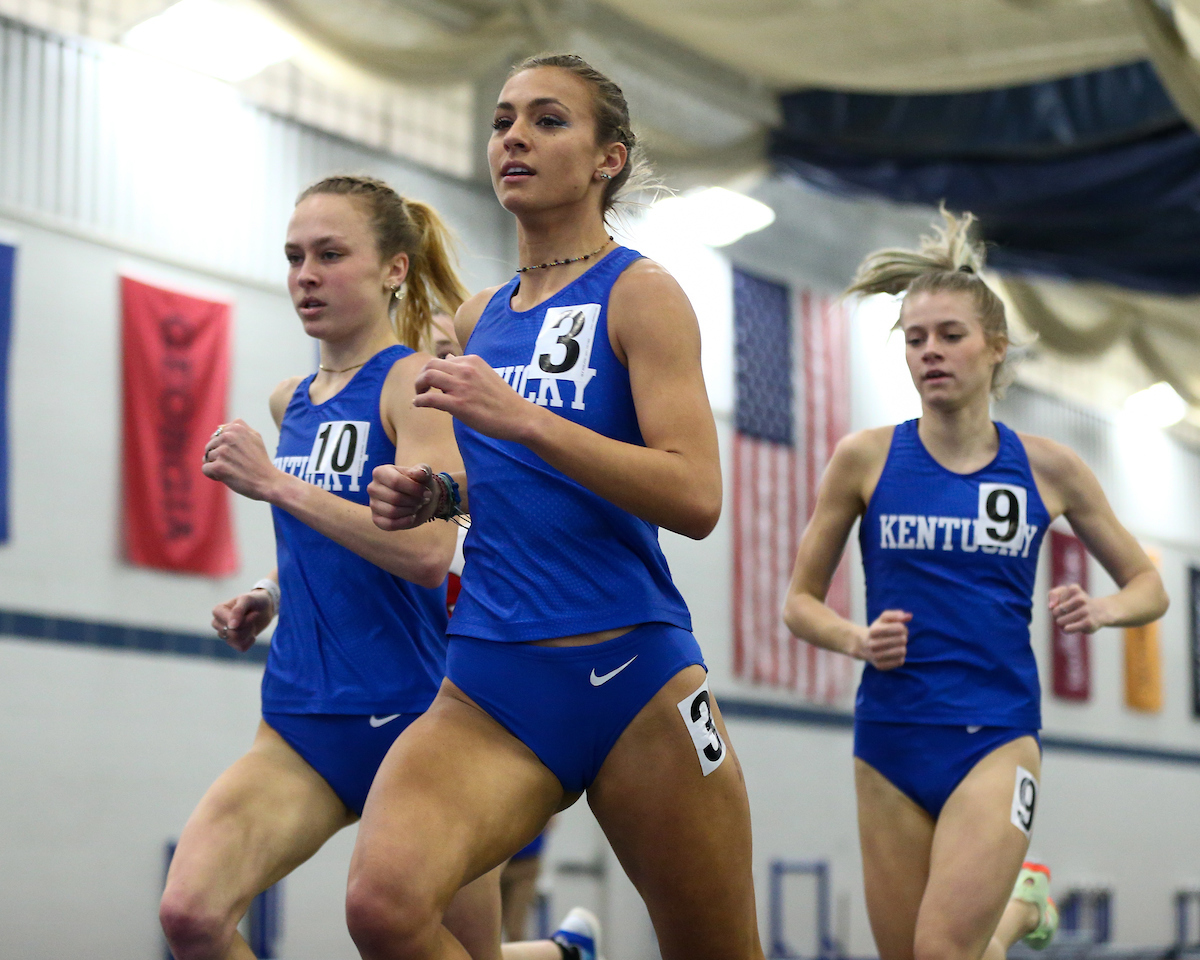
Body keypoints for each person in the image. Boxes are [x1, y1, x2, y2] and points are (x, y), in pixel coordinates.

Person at [349, 54, 765, 960]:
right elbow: (501, 486)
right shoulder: (477, 316)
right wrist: (441, 492)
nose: (514, 139)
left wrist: (524, 420)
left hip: (634, 676)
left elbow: (696, 496)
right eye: (502, 121)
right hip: (492, 682)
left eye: (547, 121)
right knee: (382, 907)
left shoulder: (642, 293)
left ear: (608, 158)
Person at [159, 174, 581, 960]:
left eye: (329, 254)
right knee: (191, 915)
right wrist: (270, 591)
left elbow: (428, 553)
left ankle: (558, 952)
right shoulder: (294, 402)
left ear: (393, 268)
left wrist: (273, 483)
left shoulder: (416, 387)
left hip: (421, 726)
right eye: (293, 258)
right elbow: (324, 534)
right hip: (301, 722)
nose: (305, 276)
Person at [782, 210, 1169, 960]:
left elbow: (1148, 586)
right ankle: (1023, 909)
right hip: (889, 739)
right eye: (915, 339)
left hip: (994, 735)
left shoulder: (1048, 467)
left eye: (949, 335)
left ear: (995, 348)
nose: (930, 352)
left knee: (941, 950)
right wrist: (856, 639)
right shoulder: (864, 459)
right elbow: (798, 603)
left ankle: (1017, 909)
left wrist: (1104, 608)